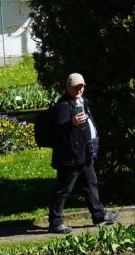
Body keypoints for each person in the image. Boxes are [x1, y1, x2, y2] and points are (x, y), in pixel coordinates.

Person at [47, 72, 119, 233]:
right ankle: (55, 222)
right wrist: (71, 123)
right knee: (63, 189)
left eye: (81, 86)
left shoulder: (81, 102)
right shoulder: (64, 106)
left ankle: (99, 215)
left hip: (84, 154)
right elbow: (58, 129)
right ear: (68, 88)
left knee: (90, 184)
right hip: (70, 157)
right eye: (75, 87)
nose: (79, 89)